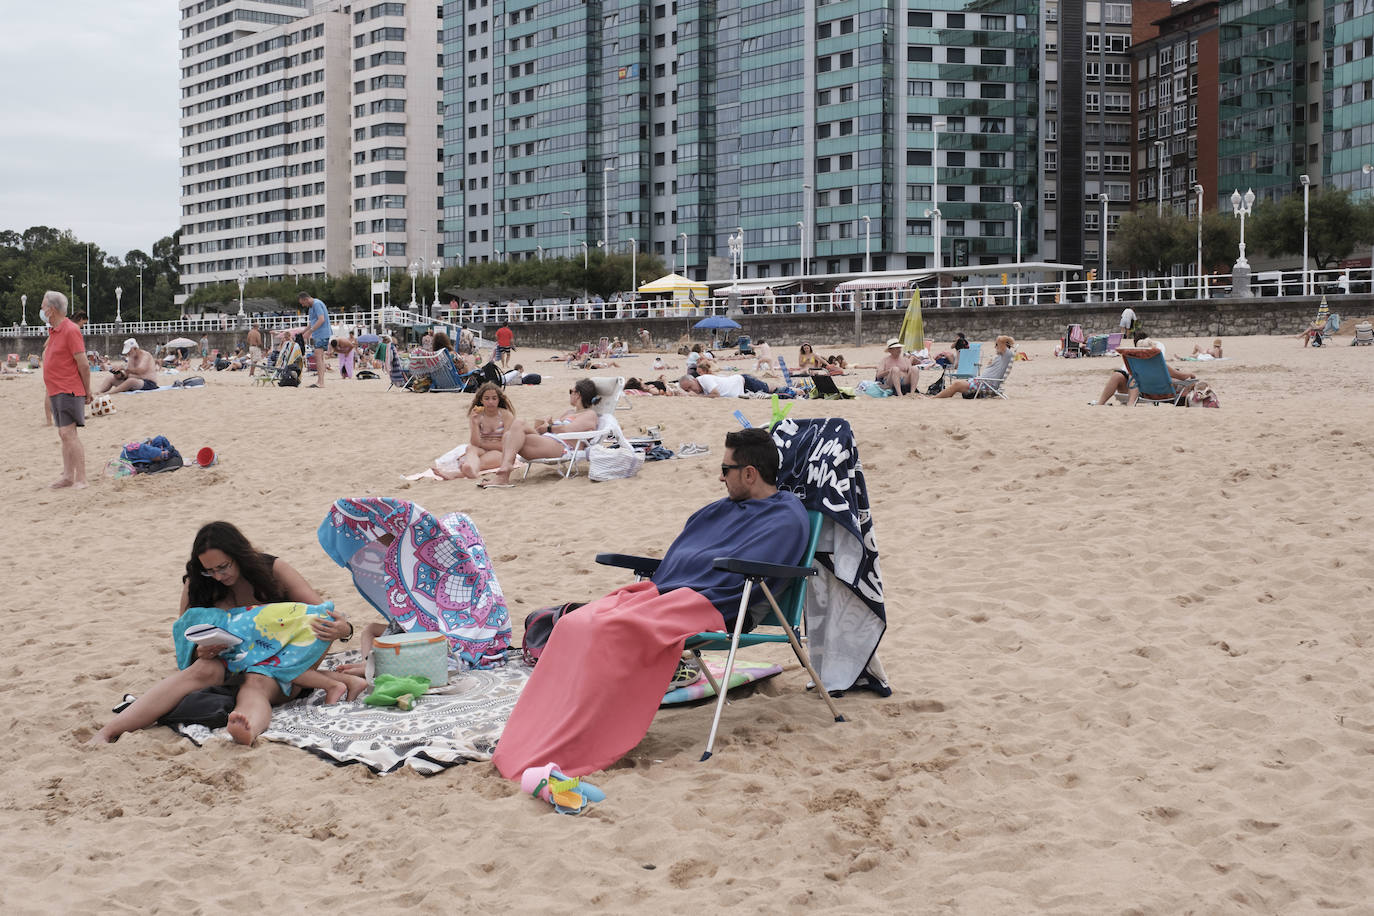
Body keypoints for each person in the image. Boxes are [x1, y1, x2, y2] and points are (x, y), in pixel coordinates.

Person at [90, 522, 361, 745]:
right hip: (226, 661)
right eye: (209, 571)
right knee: (200, 670)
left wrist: (344, 630)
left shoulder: (272, 570)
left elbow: (320, 614)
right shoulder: (198, 585)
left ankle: (246, 728)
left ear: (240, 556)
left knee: (257, 680)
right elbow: (186, 641)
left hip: (275, 664)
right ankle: (109, 731)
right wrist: (200, 650)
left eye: (223, 567)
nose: (217, 576)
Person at [650, 428, 809, 627]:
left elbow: (735, 582)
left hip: (724, 609)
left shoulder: (784, 519)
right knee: (602, 614)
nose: (721, 477)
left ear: (749, 474)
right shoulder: (718, 511)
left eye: (726, 469)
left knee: (615, 626)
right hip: (668, 598)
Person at [484, 378, 600, 487]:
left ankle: (503, 475)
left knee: (519, 423)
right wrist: (546, 424)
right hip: (548, 440)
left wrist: (548, 428)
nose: (570, 394)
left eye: (571, 391)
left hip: (562, 446)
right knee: (508, 435)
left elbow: (568, 429)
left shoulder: (589, 415)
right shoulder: (569, 412)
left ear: (578, 394)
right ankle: (503, 475)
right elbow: (553, 429)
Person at [41, 292, 92, 489]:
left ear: (51, 309)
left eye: (43, 306)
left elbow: (84, 364)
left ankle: (81, 478)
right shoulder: (54, 331)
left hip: (69, 389)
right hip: (57, 389)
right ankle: (68, 476)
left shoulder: (71, 330)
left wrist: (87, 390)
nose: (42, 310)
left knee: (68, 433)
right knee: (64, 435)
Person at [433, 382, 517, 480]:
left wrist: (482, 444)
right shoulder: (477, 415)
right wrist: (474, 424)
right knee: (470, 448)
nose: (491, 402)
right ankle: (468, 469)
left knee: (483, 459)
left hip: (500, 451)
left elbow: (505, 445)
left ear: (499, 400)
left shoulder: (506, 415)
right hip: (482, 449)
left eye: (494, 398)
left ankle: (458, 474)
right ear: (481, 400)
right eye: (487, 398)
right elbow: (474, 443)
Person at [1090, 339, 1196, 405]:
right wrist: (1191, 374)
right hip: (1159, 393)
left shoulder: (1135, 364)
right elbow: (1182, 377)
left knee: (1120, 376)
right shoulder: (1161, 366)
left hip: (1139, 393)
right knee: (1177, 381)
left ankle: (1101, 404)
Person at [931, 335, 1016, 399]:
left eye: (997, 345)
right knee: (957, 385)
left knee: (956, 384)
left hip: (985, 385)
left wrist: (1008, 341)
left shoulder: (1007, 355)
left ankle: (934, 398)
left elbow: (999, 338)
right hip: (981, 382)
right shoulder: (1001, 357)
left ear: (1003, 346)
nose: (995, 347)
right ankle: (938, 396)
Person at [299, 291, 331, 387]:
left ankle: (321, 382)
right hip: (318, 334)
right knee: (319, 357)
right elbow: (313, 321)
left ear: (306, 299)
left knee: (318, 356)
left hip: (322, 333)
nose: (303, 305)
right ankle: (320, 381)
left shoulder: (316, 304)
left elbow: (321, 319)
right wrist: (304, 331)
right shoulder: (311, 307)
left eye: (303, 303)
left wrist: (310, 332)